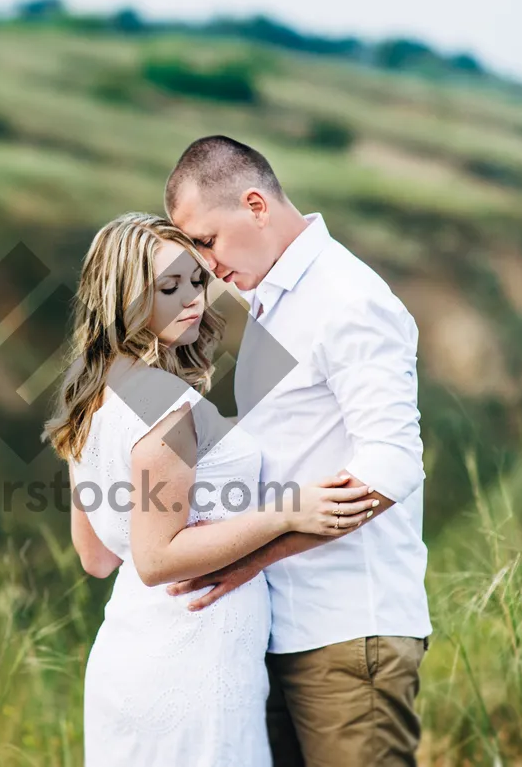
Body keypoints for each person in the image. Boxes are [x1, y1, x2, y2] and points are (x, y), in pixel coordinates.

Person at [43, 212, 378, 767]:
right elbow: (155, 559)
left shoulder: (91, 396)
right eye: (168, 287)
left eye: (197, 280)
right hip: (193, 659)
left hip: (131, 652)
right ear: (121, 296)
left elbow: (99, 557)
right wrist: (287, 513)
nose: (194, 298)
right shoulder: (165, 406)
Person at [165, 135, 432, 766]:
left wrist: (259, 554)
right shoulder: (269, 303)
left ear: (255, 205)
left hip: (348, 629)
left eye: (206, 241)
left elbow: (393, 459)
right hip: (277, 624)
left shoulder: (349, 300)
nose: (203, 265)